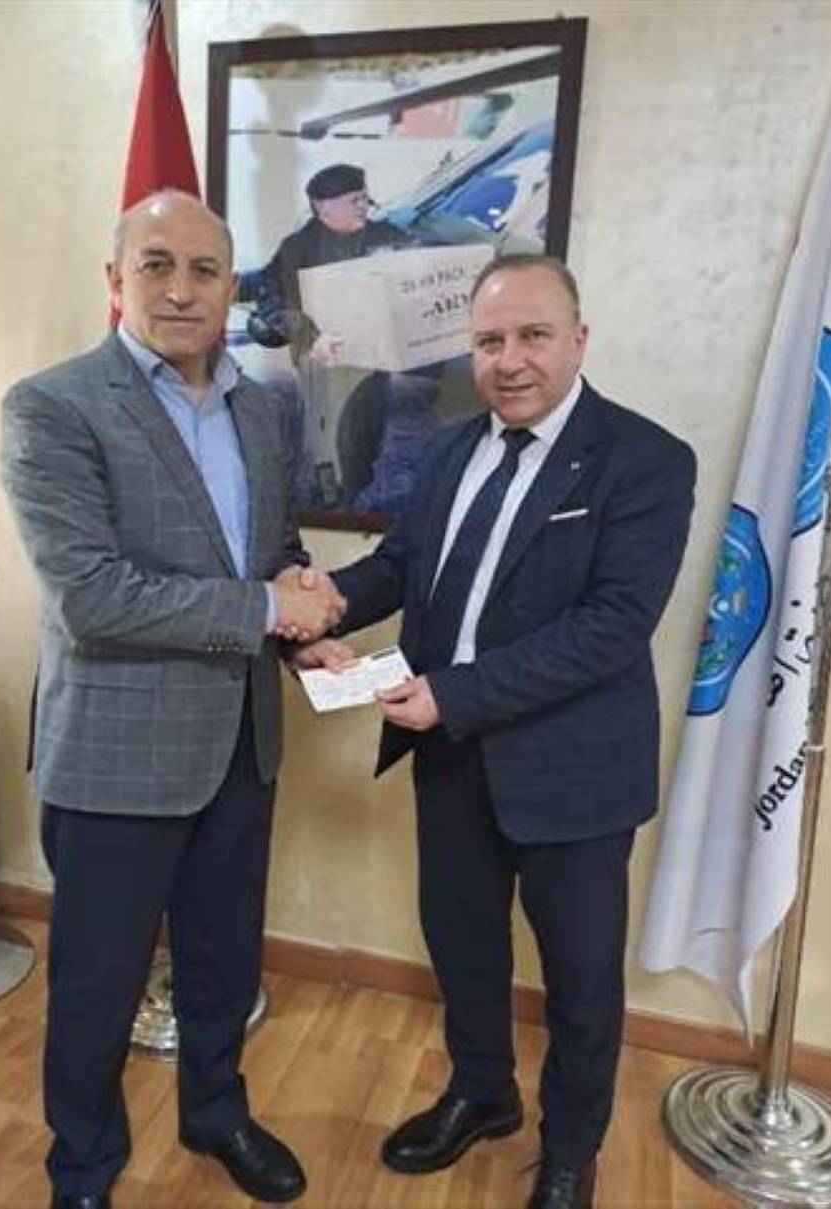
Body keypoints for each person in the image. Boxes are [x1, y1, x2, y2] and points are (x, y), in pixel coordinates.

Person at [299, 254, 696, 1207]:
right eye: (488, 340)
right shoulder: (449, 451)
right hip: (451, 758)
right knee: (463, 945)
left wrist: (455, 693)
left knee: (581, 980)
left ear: (579, 339)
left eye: (532, 335)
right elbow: (401, 565)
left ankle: (569, 1153)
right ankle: (482, 1093)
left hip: (573, 772)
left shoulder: (646, 459)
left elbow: (611, 626)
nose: (509, 360)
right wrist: (322, 605)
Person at [0, 190, 344, 1209]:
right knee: (97, 985)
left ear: (231, 286)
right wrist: (268, 608)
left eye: (203, 269)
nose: (181, 290)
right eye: (155, 265)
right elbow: (94, 597)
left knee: (222, 963)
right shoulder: (53, 407)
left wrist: (303, 624)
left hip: (242, 743)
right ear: (116, 281)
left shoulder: (263, 409)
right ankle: (83, 1168)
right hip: (115, 754)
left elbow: (270, 553)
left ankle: (216, 1113)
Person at [243, 163, 413, 506]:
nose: (364, 206)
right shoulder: (296, 248)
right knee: (330, 433)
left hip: (372, 358)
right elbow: (275, 301)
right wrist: (309, 337)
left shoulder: (388, 237)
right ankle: (331, 493)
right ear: (323, 207)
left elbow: (415, 279)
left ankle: (355, 485)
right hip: (321, 357)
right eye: (355, 200)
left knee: (366, 432)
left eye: (365, 198)